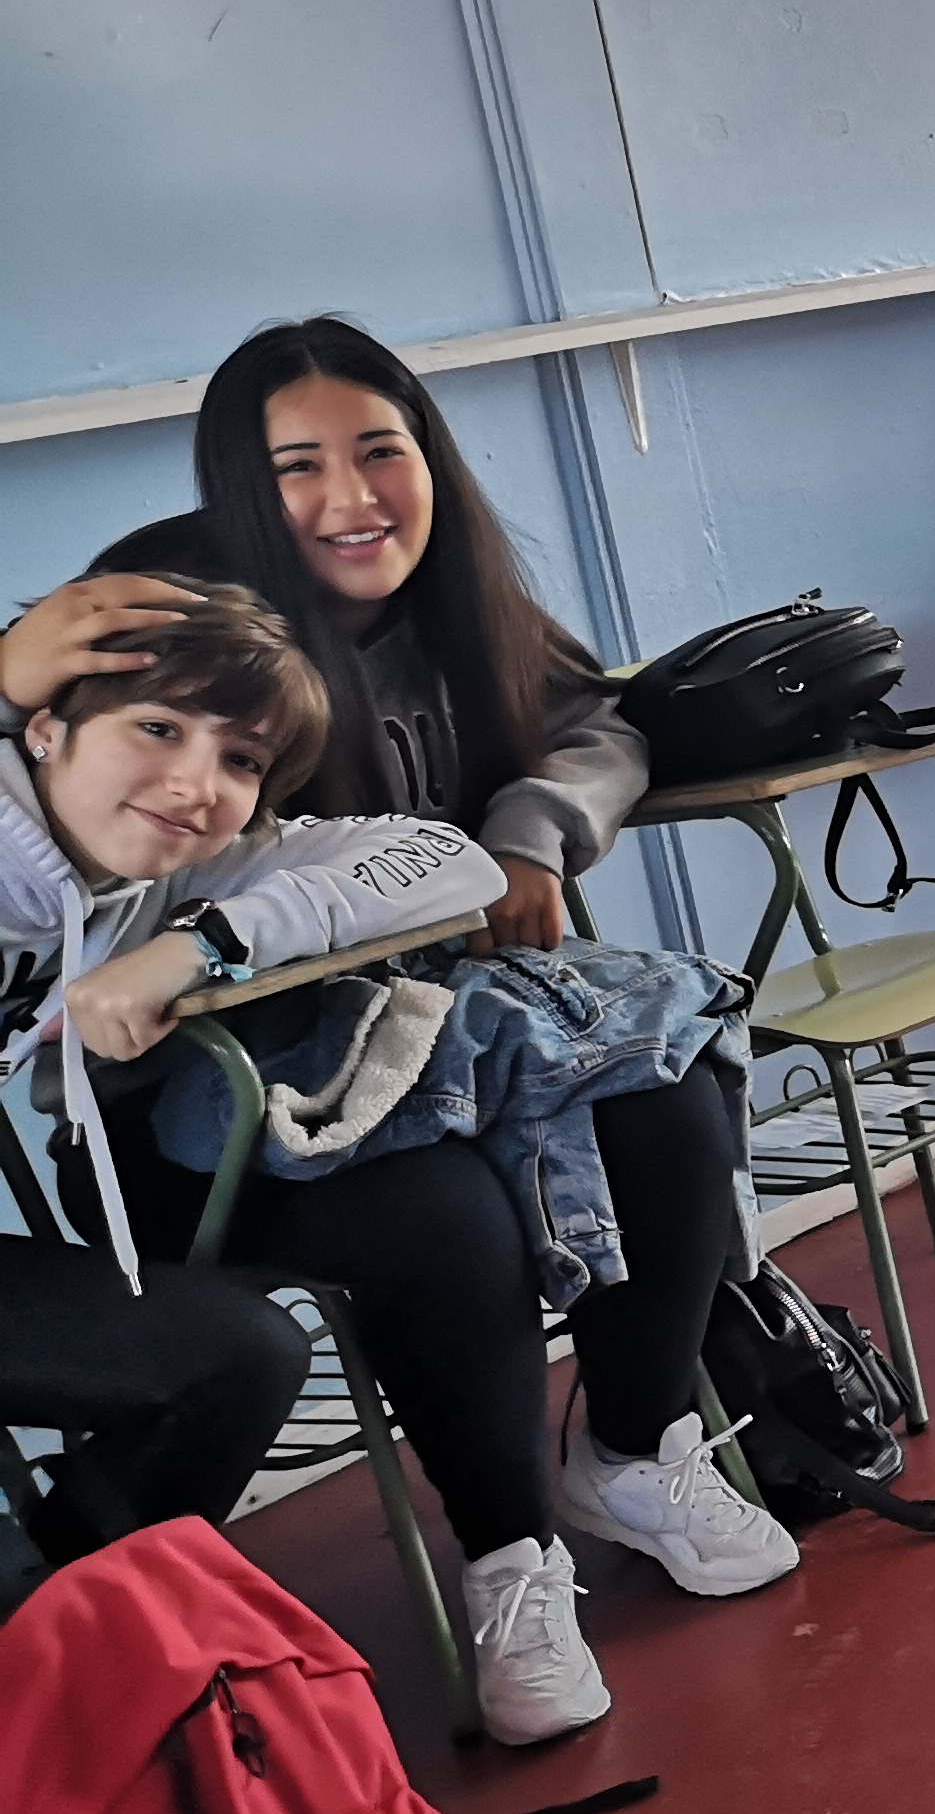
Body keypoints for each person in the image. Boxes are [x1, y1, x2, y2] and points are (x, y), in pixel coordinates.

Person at [124, 316, 800, 1740]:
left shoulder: (462, 599)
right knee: (444, 1213)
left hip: (443, 1037)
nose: (350, 498)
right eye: (297, 466)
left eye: (381, 451)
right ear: (240, 484)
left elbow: (600, 724)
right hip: (228, 1100)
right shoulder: (174, 621)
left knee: (670, 1095)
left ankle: (633, 1452)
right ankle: (511, 1564)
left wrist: (530, 834)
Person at [0, 583, 401, 1621]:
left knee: (245, 1356)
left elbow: (445, 860)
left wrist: (201, 945)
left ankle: (63, 1643)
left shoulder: (148, 881)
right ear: (43, 731)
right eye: (157, 727)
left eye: (242, 759)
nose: (194, 784)